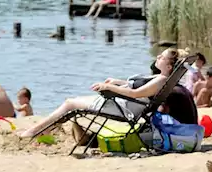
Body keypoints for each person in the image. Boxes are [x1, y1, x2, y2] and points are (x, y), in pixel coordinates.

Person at [20, 48, 184, 141]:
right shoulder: (161, 78)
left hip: (122, 107)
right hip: (122, 103)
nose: (158, 57)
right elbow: (137, 87)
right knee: (73, 102)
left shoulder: (160, 80)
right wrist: (117, 81)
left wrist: (109, 88)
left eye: (162, 57)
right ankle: (45, 129)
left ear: (169, 67)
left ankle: (35, 131)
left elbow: (135, 94)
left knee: (70, 104)